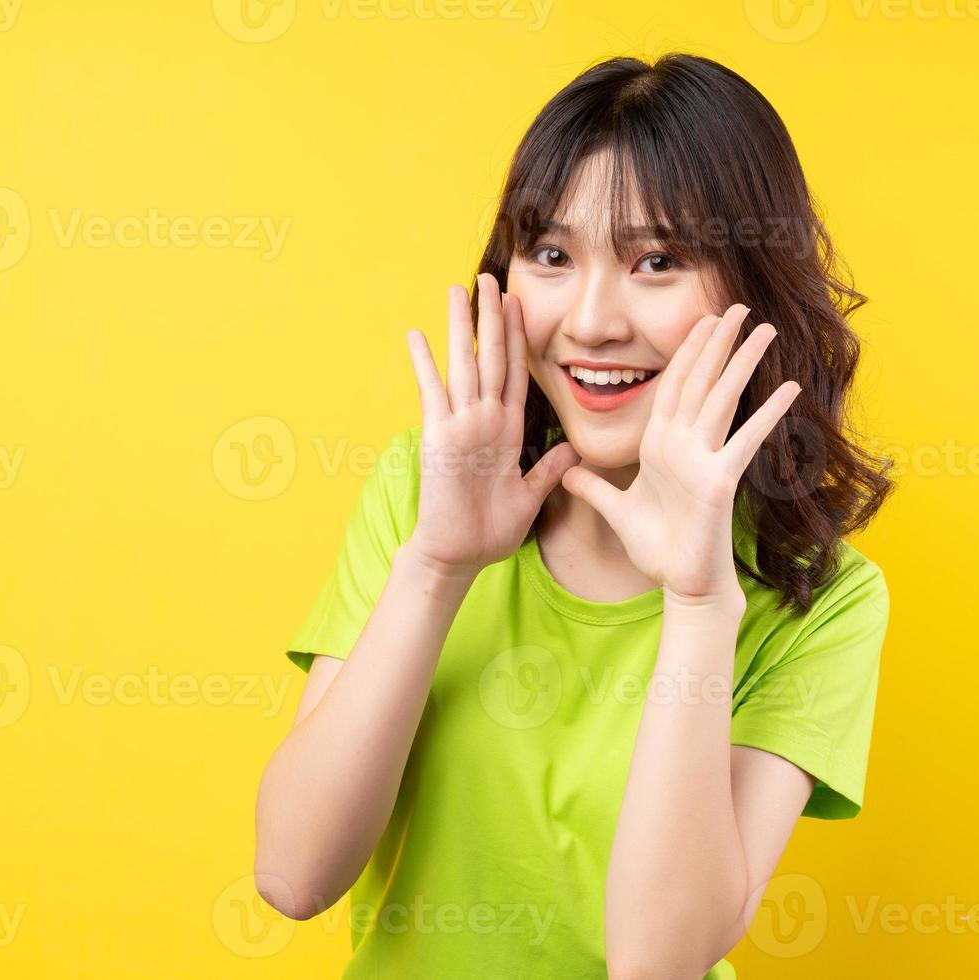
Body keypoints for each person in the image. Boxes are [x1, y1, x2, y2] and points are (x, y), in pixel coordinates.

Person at [253, 52, 894, 979]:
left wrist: (699, 604)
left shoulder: (820, 599)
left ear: (752, 287)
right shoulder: (419, 491)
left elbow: (656, 962)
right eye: (552, 256)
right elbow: (291, 873)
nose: (591, 320)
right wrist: (436, 568)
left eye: (657, 261)